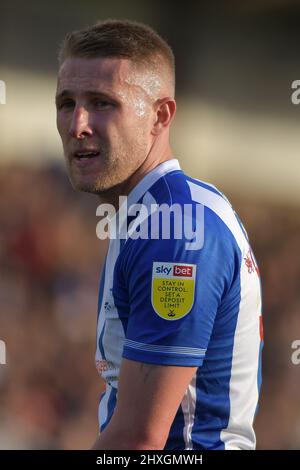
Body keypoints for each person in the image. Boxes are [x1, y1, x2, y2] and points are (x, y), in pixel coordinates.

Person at [56, 19, 263, 450]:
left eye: (101, 103)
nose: (78, 124)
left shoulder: (175, 230)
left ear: (160, 115)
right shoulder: (157, 212)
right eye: (66, 102)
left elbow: (140, 440)